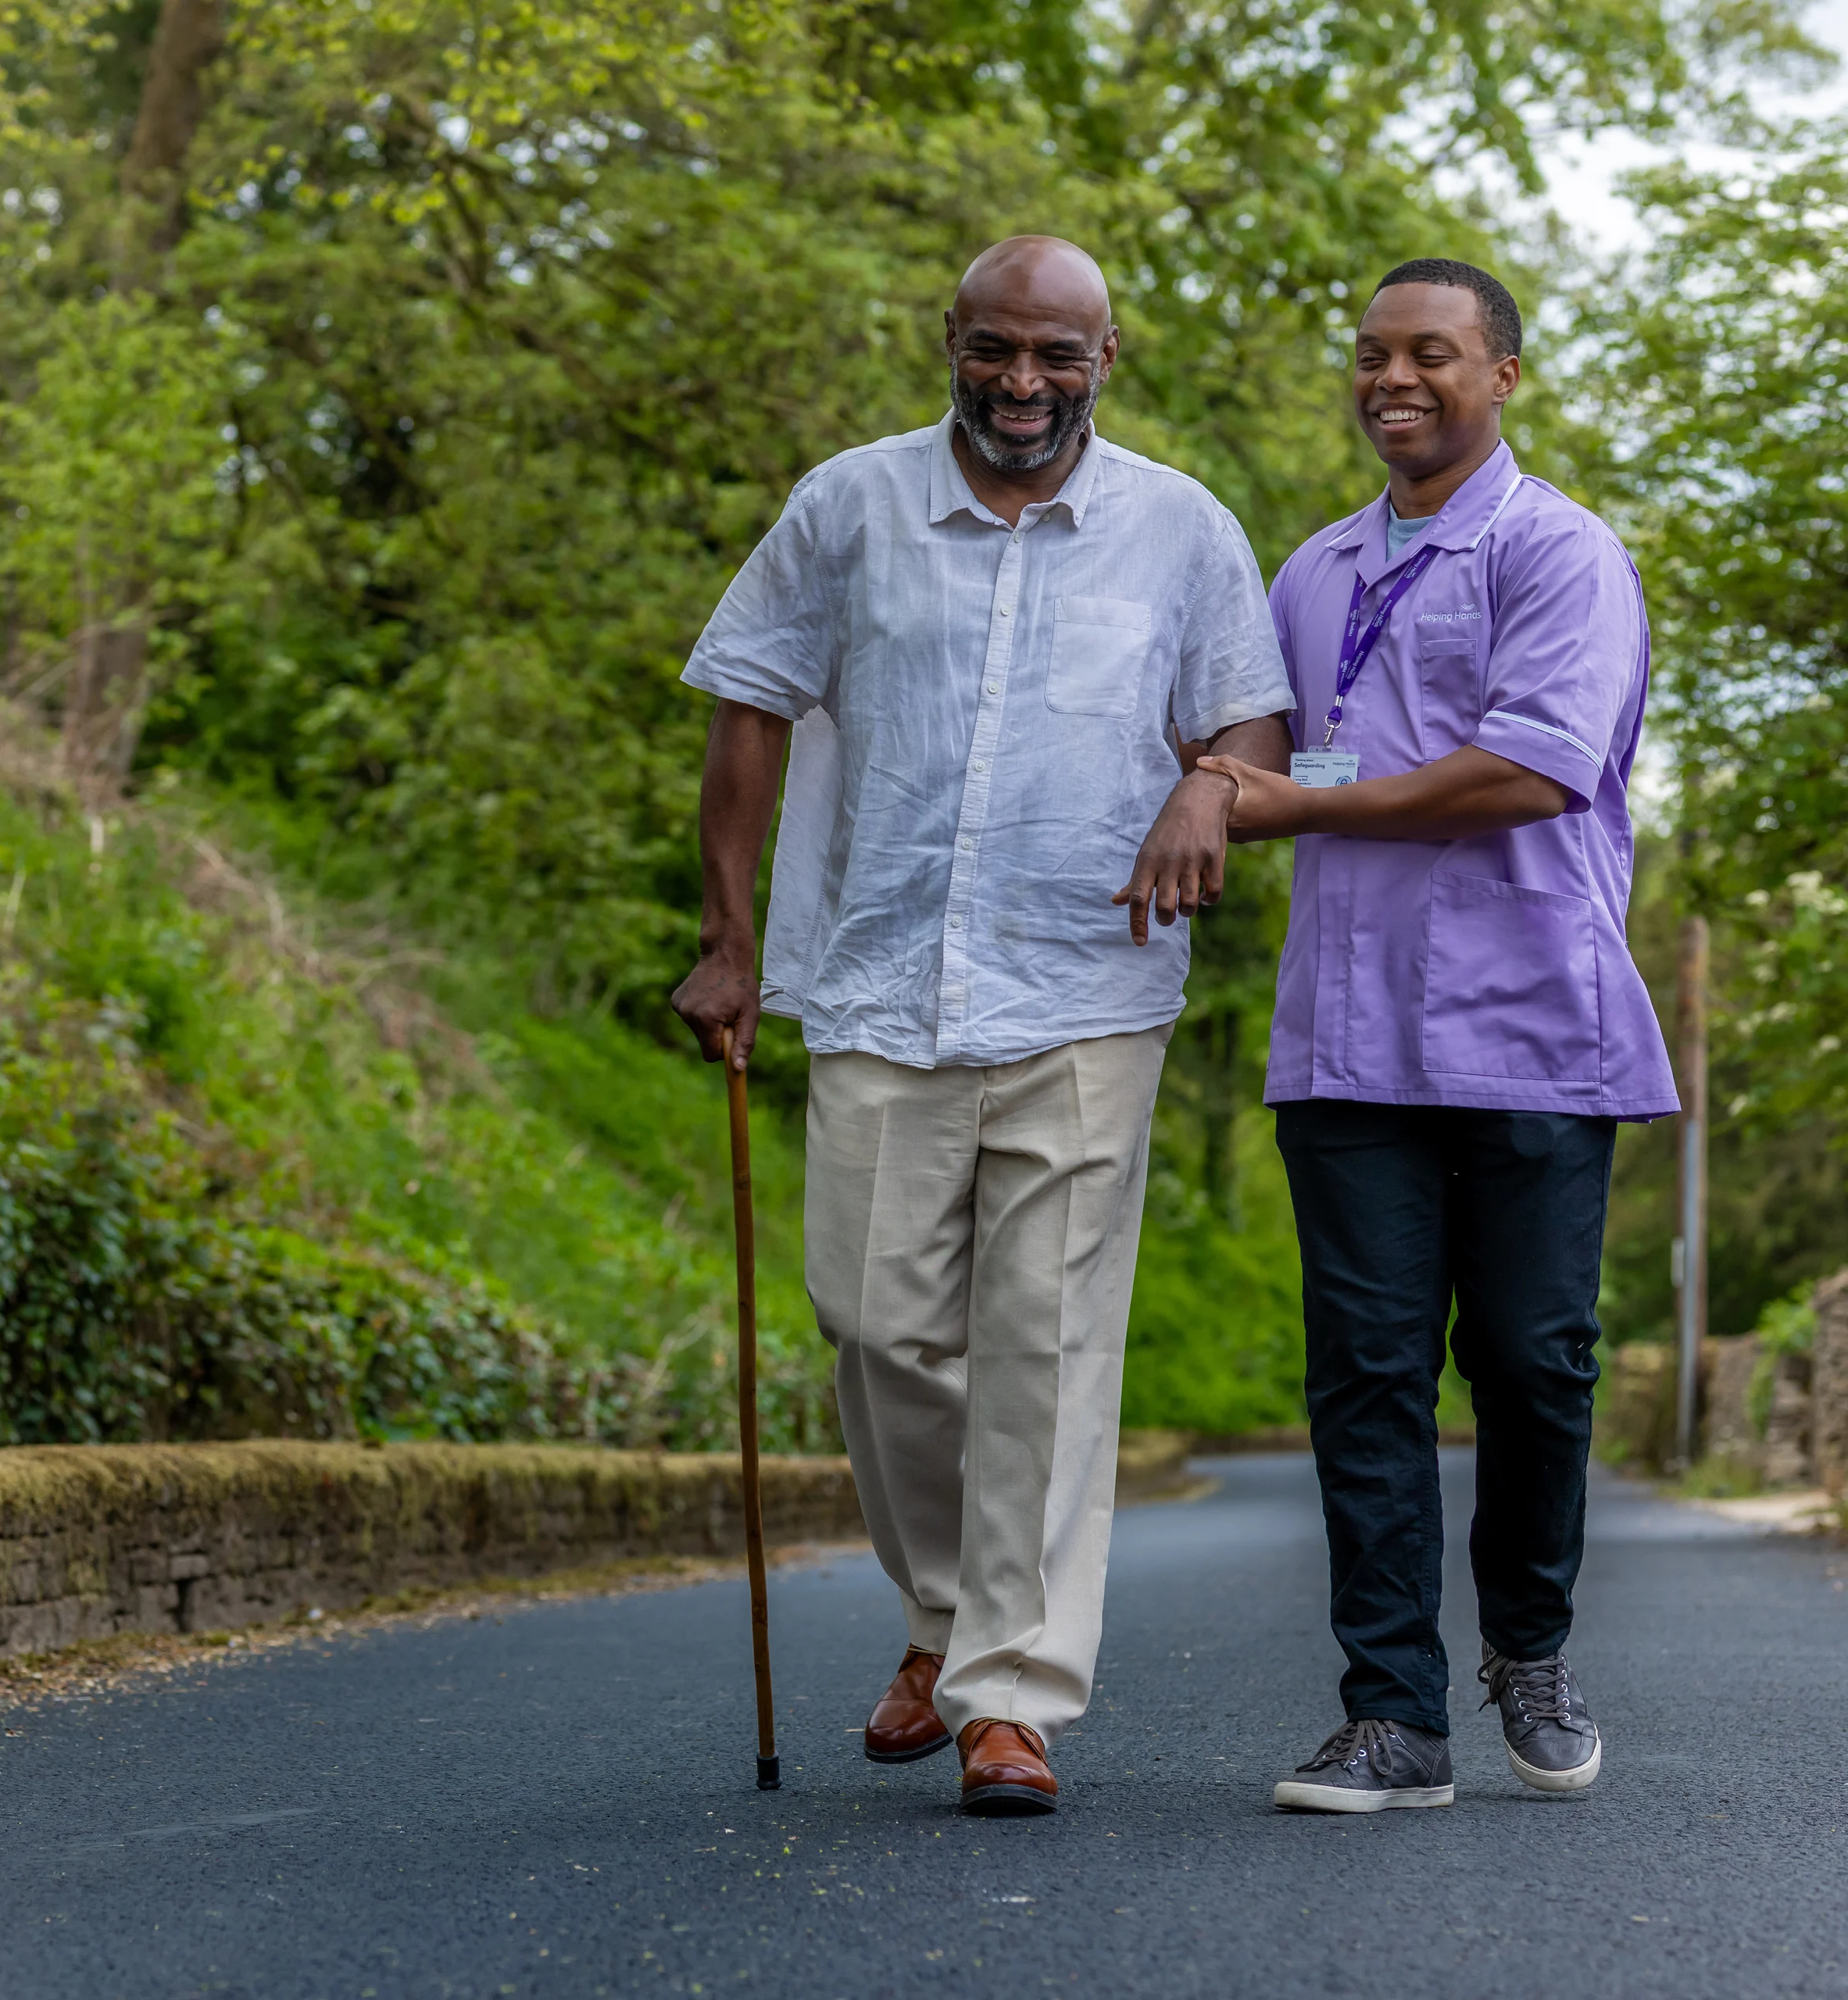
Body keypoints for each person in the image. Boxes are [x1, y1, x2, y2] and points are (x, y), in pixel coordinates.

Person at [671, 235, 1294, 1816]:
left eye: (1055, 356)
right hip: (879, 980)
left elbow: (1249, 721)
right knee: (872, 1324)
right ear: (947, 338)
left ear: (1105, 361)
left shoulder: (1180, 528)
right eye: (994, 348)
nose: (1022, 382)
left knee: (1049, 1346)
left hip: (1087, 990)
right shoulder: (848, 505)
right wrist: (728, 940)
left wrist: (1204, 784)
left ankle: (1006, 1694)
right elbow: (748, 700)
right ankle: (943, 1612)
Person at [1198, 258, 1678, 1813]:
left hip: (1530, 1024)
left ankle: (1524, 1647)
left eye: (1429, 354)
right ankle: (1390, 1714)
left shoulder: (1561, 554)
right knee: (1366, 1372)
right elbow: (1274, 758)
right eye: (1367, 355)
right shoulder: (1311, 568)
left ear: (1500, 377)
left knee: (1533, 1363)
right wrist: (1215, 782)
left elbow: (1521, 775)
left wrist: (1279, 797)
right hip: (1345, 1036)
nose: (1391, 378)